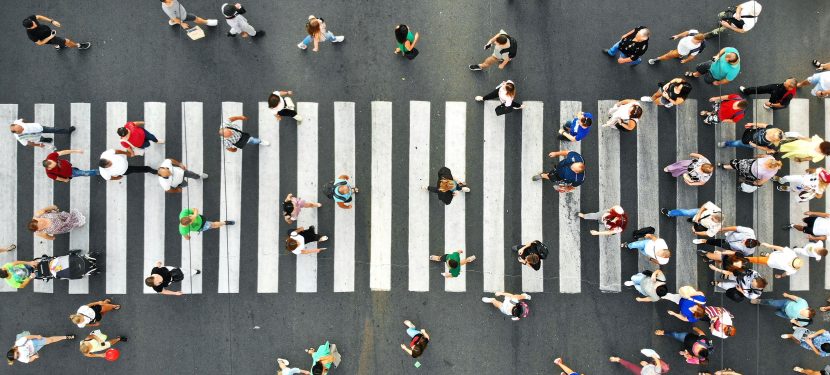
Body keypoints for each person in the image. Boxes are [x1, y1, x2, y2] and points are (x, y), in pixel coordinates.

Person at [23, 14, 90, 50]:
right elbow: (40, 43)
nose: (35, 24)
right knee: (67, 41)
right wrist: (50, 37)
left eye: (33, 22)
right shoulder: (30, 34)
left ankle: (59, 46)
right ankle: (78, 45)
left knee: (58, 43)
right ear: (28, 28)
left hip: (48, 31)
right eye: (33, 26)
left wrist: (52, 21)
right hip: (49, 39)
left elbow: (39, 17)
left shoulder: (30, 19)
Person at [717, 154, 781, 191]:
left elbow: (761, 155)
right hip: (750, 174)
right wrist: (754, 183)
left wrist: (755, 157)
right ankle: (742, 184)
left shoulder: (770, 158)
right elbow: (761, 182)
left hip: (749, 163)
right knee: (744, 178)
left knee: (738, 165)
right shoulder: (770, 173)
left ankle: (724, 166)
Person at [6, 333, 74, 365]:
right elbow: (29, 360)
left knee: (50, 340)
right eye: (17, 357)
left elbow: (27, 337)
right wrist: (34, 357)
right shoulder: (21, 359)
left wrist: (36, 336)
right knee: (47, 342)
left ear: (14, 349)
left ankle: (66, 337)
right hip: (35, 350)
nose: (18, 355)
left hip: (33, 342)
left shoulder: (18, 344)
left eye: (17, 353)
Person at [693, 226, 759, 256]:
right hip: (731, 235)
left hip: (730, 246)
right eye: (744, 240)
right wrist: (720, 229)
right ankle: (727, 235)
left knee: (717, 242)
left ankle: (704, 241)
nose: (742, 242)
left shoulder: (750, 251)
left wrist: (724, 252)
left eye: (744, 244)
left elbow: (737, 253)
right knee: (730, 233)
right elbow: (734, 228)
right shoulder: (749, 232)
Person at [718, 123, 783, 153]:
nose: (771, 135)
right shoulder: (770, 127)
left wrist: (755, 146)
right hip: (751, 133)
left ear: (775, 140)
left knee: (738, 143)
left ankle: (726, 144)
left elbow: (766, 149)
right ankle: (727, 143)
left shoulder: (771, 144)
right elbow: (763, 125)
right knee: (742, 139)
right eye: (773, 133)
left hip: (751, 143)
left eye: (773, 137)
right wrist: (752, 124)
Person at [9, 118, 74, 148]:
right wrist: (38, 145)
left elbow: (22, 120)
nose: (22, 128)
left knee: (53, 129)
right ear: (17, 132)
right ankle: (46, 140)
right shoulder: (20, 137)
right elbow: (28, 143)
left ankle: (67, 131)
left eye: (20, 126)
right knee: (42, 139)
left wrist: (26, 122)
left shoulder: (17, 122)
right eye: (20, 129)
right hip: (35, 137)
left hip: (39, 128)